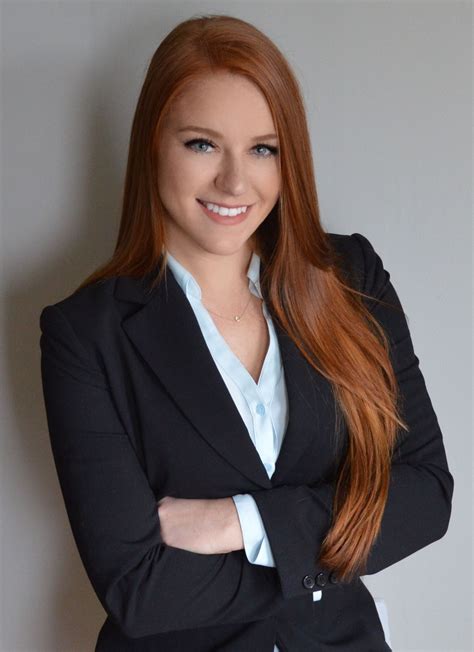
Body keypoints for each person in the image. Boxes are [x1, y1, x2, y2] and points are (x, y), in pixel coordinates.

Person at [39, 13, 454, 652]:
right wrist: (321, 562)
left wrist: (240, 522)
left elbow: (425, 495)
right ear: (152, 145)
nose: (235, 182)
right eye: (202, 144)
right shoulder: (84, 335)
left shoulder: (350, 277)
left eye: (263, 149)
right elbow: (140, 590)